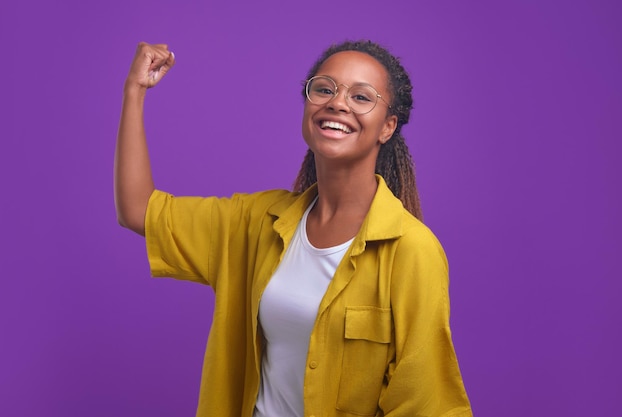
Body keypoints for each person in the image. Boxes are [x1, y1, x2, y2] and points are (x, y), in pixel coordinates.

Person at [115, 40, 472, 417]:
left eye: (361, 97)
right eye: (324, 88)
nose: (337, 102)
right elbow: (138, 211)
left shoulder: (412, 250)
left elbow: (427, 403)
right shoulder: (256, 221)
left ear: (387, 127)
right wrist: (134, 91)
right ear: (307, 104)